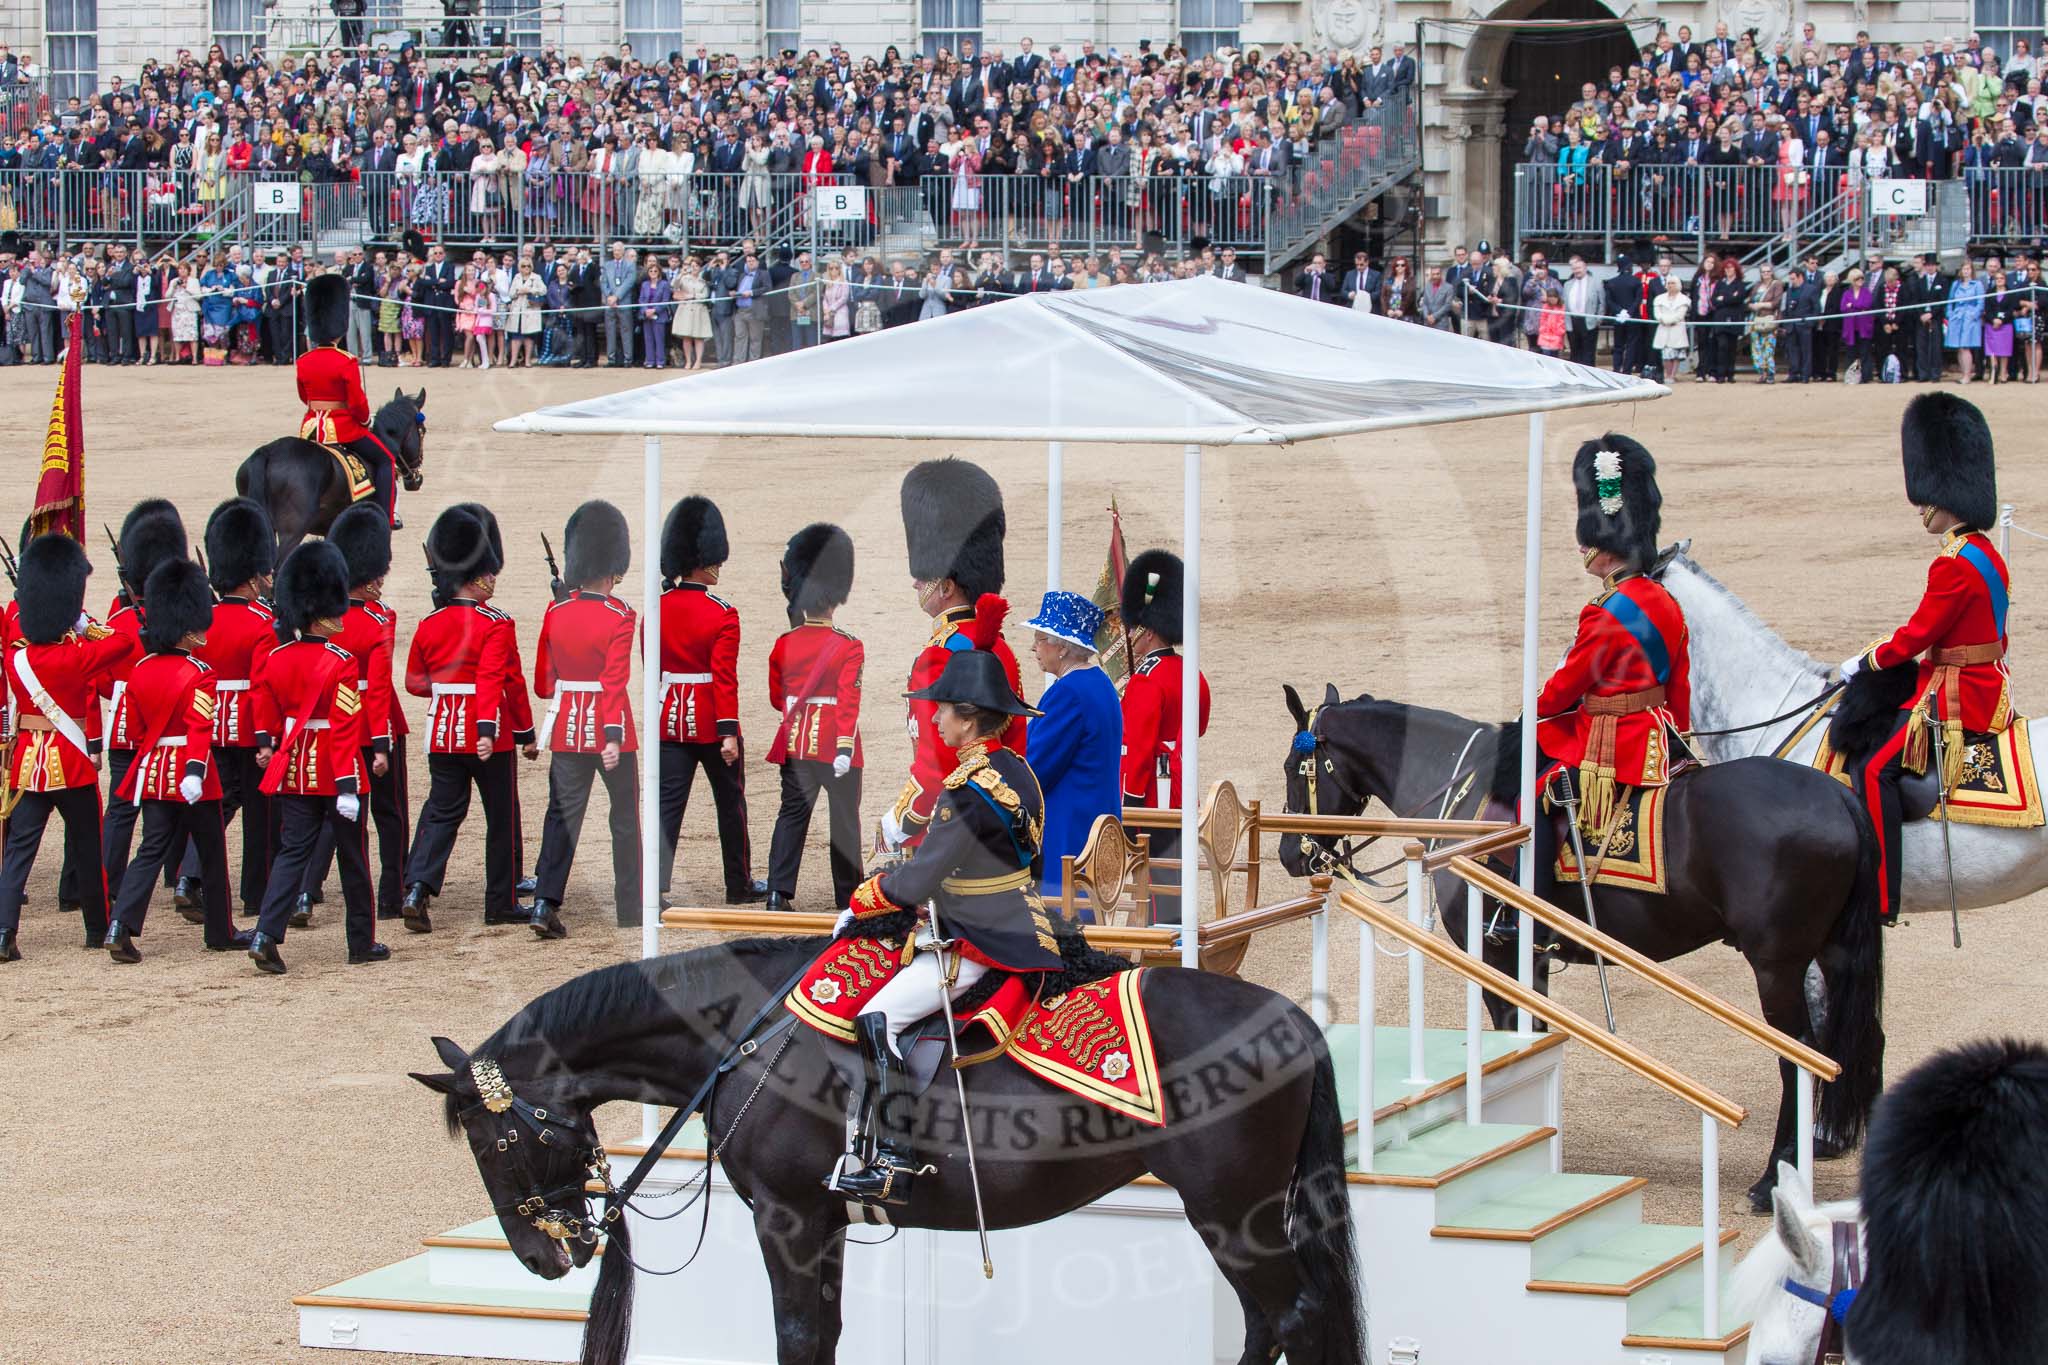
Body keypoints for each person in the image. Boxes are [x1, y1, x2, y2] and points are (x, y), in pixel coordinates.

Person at [800, 593, 1060, 1206]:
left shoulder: (967, 789)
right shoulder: (1017, 769)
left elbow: (915, 881)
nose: (933, 720)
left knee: (878, 1019)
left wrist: (862, 900)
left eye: (941, 709)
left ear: (968, 717)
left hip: (982, 937)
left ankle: (893, 1153)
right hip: (1019, 920)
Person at [1841, 394, 2008, 925]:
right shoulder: (1987, 552)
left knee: (1872, 771)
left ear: (1944, 495)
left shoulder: (1953, 565)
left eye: (1925, 499)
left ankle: (1882, 896)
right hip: (1986, 681)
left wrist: (1866, 661)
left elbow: (1917, 635)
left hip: (1955, 695)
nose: (1920, 508)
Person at [1531, 436, 1690, 895]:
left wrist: (1533, 707)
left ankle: (1531, 906)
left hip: (1614, 744)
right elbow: (1680, 686)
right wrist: (1677, 732)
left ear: (1603, 544)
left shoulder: (1605, 611)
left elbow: (1566, 688)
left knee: (1536, 789)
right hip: (1660, 736)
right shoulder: (1666, 601)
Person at [246, 542, 387, 975]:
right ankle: (360, 941)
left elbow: (267, 715)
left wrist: (268, 746)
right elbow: (344, 728)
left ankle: (266, 933)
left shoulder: (276, 658)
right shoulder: (341, 661)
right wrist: (347, 784)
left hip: (294, 767)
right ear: (322, 611)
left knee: (292, 852)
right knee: (353, 857)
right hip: (333, 764)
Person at [0, 534, 139, 960]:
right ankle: (97, 928)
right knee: (87, 848)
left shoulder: (15, 658)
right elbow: (123, 642)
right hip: (72, 762)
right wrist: (83, 622)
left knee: (18, 854)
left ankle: (4, 932)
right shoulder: (76, 656)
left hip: (28, 762)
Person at [401, 505, 537, 932]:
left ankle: (418, 888)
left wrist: (446, 689)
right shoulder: (496, 623)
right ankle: (501, 899)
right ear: (477, 575)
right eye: (489, 572)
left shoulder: (429, 623)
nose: (494, 578)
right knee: (501, 816)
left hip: (441, 731)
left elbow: (414, 682)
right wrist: (522, 731)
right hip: (487, 733)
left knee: (442, 812)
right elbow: (503, 680)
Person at [105, 559, 246, 962]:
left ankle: (121, 925)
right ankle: (220, 931)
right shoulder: (200, 672)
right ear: (187, 627)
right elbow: (201, 727)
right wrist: (194, 772)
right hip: (191, 773)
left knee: (150, 850)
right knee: (212, 853)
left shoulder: (141, 670)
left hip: (153, 772)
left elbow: (133, 731)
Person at [886, 458, 1028, 854]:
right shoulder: (1000, 647)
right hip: (1003, 818)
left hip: (951, 825)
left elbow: (936, 761)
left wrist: (897, 823)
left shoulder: (940, 654)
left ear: (947, 585)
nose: (916, 581)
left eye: (925, 576)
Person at [526, 500, 639, 935]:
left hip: (568, 729)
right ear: (612, 566)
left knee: (561, 816)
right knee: (625, 818)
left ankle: (543, 903)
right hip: (613, 731)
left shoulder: (556, 612)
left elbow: (543, 683)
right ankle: (631, 906)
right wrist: (611, 736)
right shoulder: (620, 614)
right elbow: (614, 680)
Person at [299, 503, 408, 924]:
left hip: (332, 724)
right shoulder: (379, 617)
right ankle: (391, 895)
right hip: (370, 722)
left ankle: (307, 891)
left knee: (333, 812)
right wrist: (380, 739)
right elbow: (378, 687)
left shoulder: (323, 618)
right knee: (389, 812)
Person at [657, 495, 767, 906]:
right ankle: (738, 884)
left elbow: (656, 666)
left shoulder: (659, 607)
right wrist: (727, 733)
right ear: (703, 560)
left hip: (671, 717)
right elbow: (724, 677)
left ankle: (656, 884)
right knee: (731, 806)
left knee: (668, 808)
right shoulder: (722, 612)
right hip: (711, 719)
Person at [174, 498, 277, 922]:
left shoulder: (206, 619)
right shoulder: (262, 622)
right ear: (254, 575)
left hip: (210, 719)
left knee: (217, 807)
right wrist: (267, 737)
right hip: (251, 726)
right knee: (260, 814)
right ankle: (256, 893)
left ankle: (187, 877)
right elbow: (263, 686)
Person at [764, 523, 864, 914]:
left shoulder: (784, 643)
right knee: (844, 822)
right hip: (837, 746)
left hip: (796, 742)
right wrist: (842, 746)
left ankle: (778, 891)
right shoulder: (848, 645)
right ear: (835, 598)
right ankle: (848, 896)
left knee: (792, 815)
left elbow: (777, 698)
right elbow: (847, 701)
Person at [101, 501, 187, 912]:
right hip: (166, 718)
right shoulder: (177, 622)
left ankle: (107, 879)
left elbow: (102, 681)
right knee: (170, 800)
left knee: (122, 806)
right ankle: (176, 873)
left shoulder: (117, 623)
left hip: (123, 721)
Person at [1119, 549, 1211, 925]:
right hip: (1181, 786)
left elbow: (1136, 750)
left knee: (1155, 876)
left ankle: (1161, 943)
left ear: (1148, 629)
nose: (1129, 633)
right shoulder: (1191, 672)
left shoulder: (1146, 679)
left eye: (1133, 626)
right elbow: (1199, 726)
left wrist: (1129, 806)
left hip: (1152, 793)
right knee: (1176, 869)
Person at [1022, 590, 1121, 908]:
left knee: (1066, 924)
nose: (1034, 647)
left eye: (1041, 638)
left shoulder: (1067, 693)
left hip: (1069, 828)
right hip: (1095, 817)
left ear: (1062, 646)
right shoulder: (1100, 683)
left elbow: (1036, 769)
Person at [296, 270, 398, 524]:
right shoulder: (346, 361)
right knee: (386, 460)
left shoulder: (304, 360)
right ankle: (385, 516)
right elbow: (357, 402)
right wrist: (364, 422)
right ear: (339, 328)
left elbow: (303, 396)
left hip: (310, 428)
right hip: (342, 427)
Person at [1651, 274, 1691, 384]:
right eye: (1668, 283)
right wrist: (1664, 320)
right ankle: (1667, 375)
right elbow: (1657, 314)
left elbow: (1680, 315)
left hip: (1677, 329)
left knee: (1677, 354)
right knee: (1666, 354)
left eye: (1673, 283)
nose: (1670, 285)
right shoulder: (1659, 299)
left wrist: (1669, 320)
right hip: (1663, 329)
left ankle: (1673, 375)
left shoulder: (1684, 299)